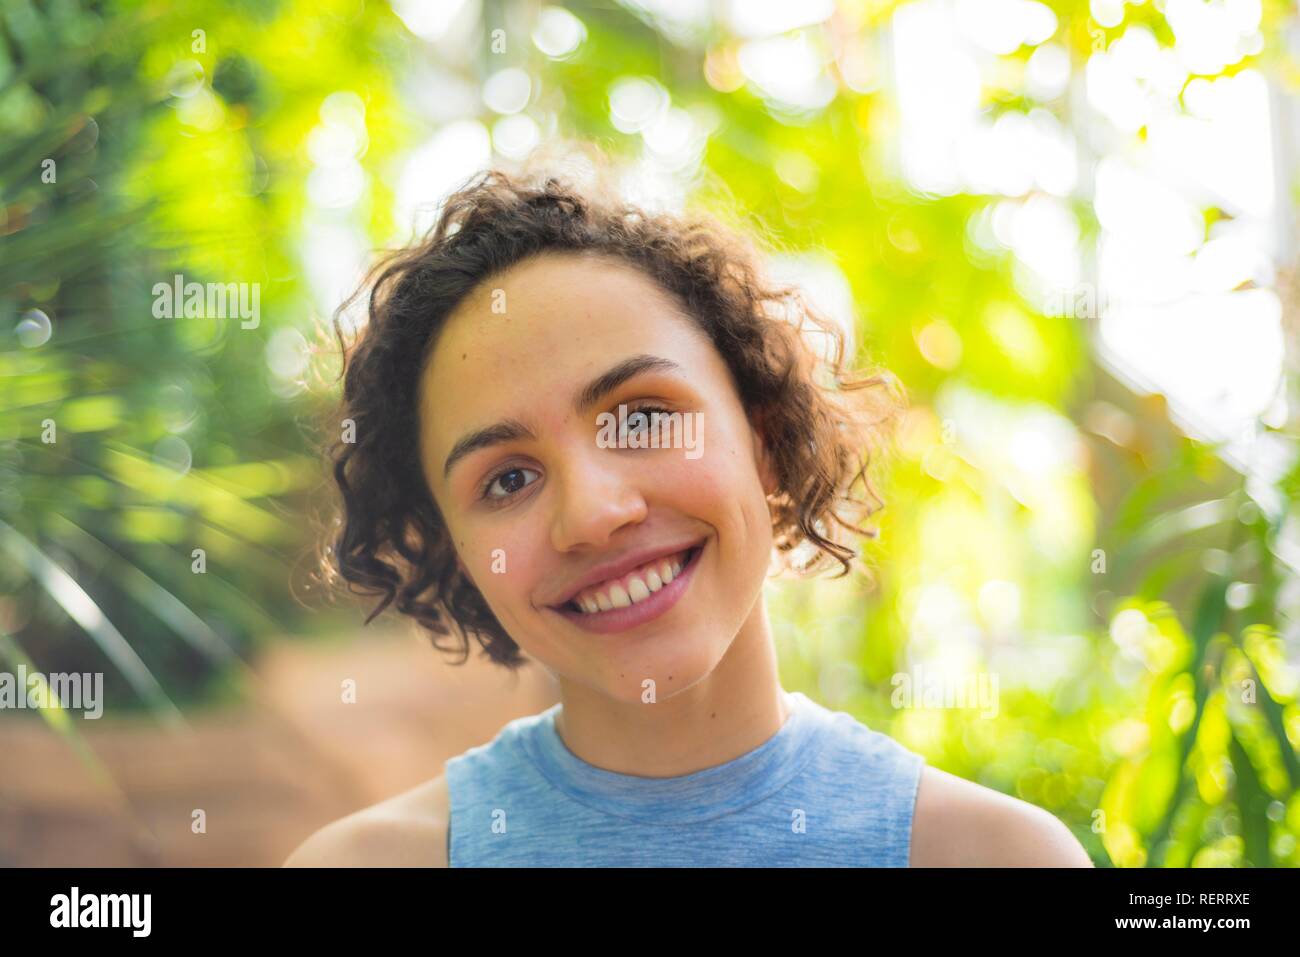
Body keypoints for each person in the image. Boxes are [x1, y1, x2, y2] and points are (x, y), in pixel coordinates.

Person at [284, 156, 1093, 867]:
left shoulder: (995, 857)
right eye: (507, 480)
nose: (594, 514)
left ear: (766, 435)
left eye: (641, 418)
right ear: (456, 553)